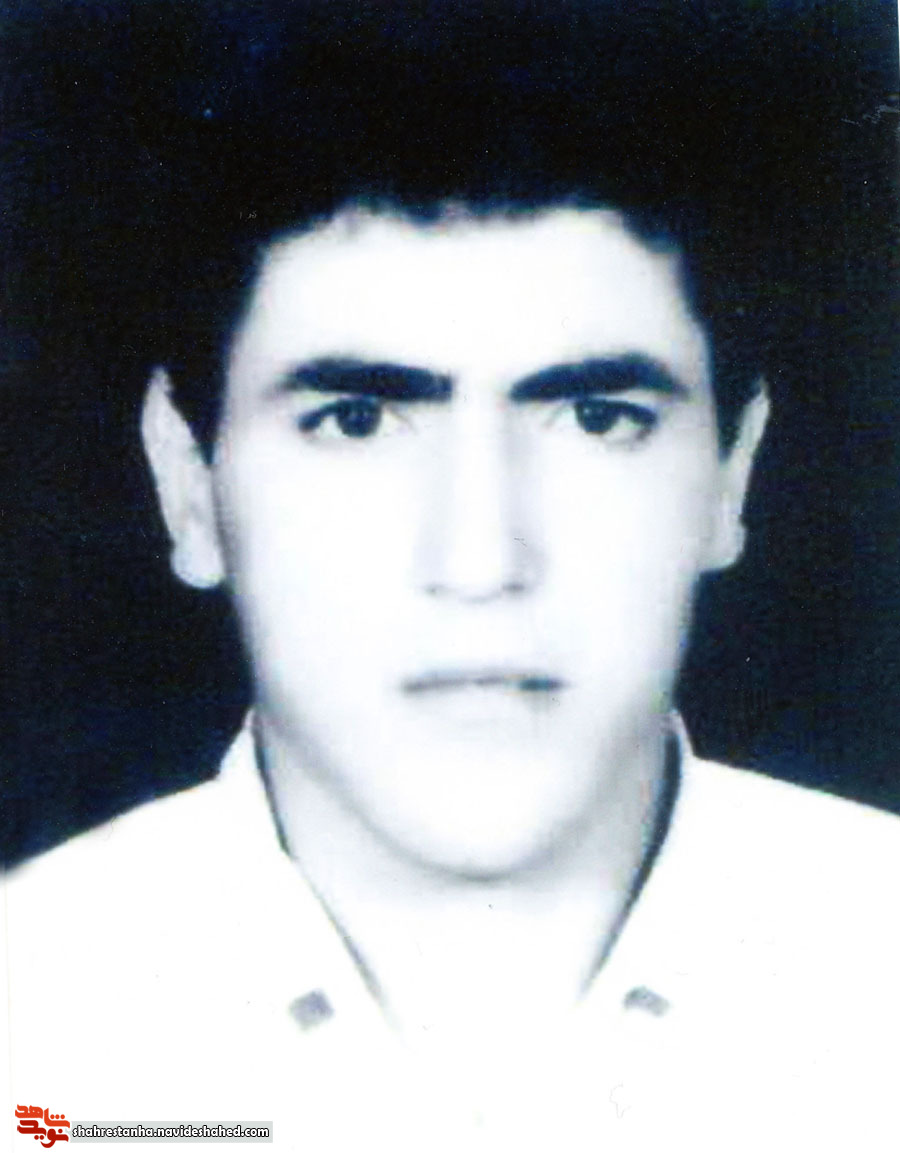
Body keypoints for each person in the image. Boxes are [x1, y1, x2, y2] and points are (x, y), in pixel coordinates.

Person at [4, 3, 899, 1150]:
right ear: (187, 484)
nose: (480, 561)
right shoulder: (27, 1020)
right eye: (357, 419)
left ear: (733, 475)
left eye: (596, 416)